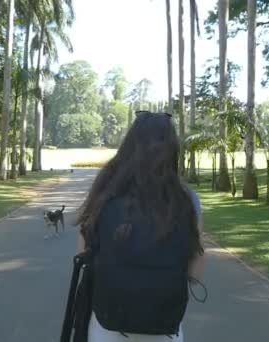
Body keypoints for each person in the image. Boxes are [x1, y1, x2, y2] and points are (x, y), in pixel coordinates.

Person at [76, 111, 205, 342]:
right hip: (164, 326)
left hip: (107, 326)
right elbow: (195, 272)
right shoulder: (187, 200)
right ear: (172, 151)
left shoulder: (105, 193)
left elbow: (82, 254)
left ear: (129, 148)